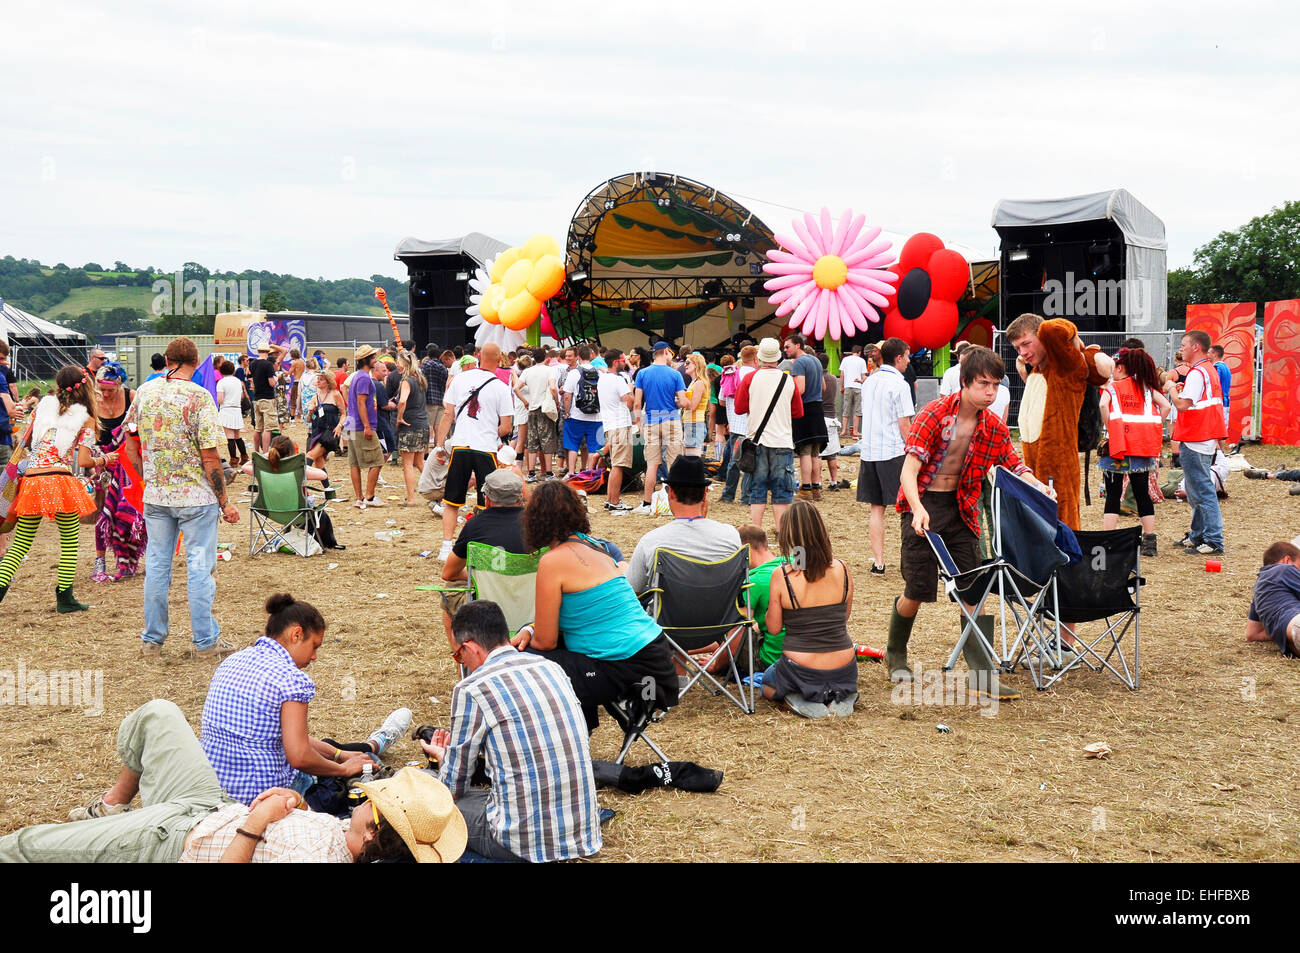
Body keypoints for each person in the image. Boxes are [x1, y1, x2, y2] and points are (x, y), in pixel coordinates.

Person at [0, 699, 462, 863]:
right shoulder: (345, 833)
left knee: (27, 847)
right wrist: (297, 807)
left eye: (374, 800)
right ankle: (114, 804)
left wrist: (257, 822)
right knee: (160, 714)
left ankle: (111, 826)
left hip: (171, 839)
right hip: (207, 804)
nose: (366, 796)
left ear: (374, 829)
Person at [889, 346, 1057, 700]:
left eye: (996, 385)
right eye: (984, 384)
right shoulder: (933, 415)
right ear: (964, 383)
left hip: (963, 508)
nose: (991, 392)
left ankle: (982, 675)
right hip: (923, 504)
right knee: (917, 591)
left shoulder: (993, 426)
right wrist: (918, 509)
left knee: (974, 592)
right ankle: (896, 652)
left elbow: (1014, 466)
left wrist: (1039, 485)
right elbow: (909, 470)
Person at [418, 601, 602, 862]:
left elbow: (452, 786)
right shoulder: (552, 669)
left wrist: (443, 759)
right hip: (583, 834)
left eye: (459, 656)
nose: (463, 664)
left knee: (429, 800)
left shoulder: (472, 688)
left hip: (519, 843)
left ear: (469, 647)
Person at [201, 593, 410, 803]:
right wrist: (342, 769)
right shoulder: (290, 678)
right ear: (297, 634)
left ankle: (371, 745)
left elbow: (276, 734)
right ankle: (373, 747)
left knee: (330, 748)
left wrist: (338, 755)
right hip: (264, 796)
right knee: (364, 771)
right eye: (314, 646)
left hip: (217, 790)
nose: (314, 657)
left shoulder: (232, 661)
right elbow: (300, 756)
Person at [515, 481, 678, 731]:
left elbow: (545, 642)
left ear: (534, 521)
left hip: (629, 668)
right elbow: (586, 617)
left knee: (522, 663)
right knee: (566, 660)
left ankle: (576, 732)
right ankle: (582, 729)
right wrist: (531, 629)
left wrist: (526, 636)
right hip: (657, 660)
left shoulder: (552, 561)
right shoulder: (598, 548)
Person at [123, 337, 241, 658]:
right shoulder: (200, 397)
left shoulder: (144, 392)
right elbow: (211, 457)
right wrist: (224, 501)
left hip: (157, 495)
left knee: (157, 566)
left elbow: (130, 440)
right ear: (195, 360)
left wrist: (146, 475)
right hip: (196, 498)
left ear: (167, 359)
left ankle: (152, 640)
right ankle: (205, 641)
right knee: (199, 568)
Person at [0, 366, 103, 611]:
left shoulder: (41, 409)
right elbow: (86, 461)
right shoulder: (85, 418)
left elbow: (26, 443)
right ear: (85, 386)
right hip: (59, 481)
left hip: (33, 480)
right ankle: (65, 599)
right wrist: (105, 460)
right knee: (69, 542)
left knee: (20, 545)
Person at [1007, 312, 1112, 530]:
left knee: (1062, 522)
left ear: (1042, 338)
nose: (1023, 353)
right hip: (1032, 464)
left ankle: (1068, 563)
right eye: (1018, 348)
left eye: (1026, 344)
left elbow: (1053, 329)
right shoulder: (1038, 369)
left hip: (1058, 466)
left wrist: (1074, 342)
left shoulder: (1066, 367)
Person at [761, 500, 859, 718]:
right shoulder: (843, 569)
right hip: (844, 665)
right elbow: (845, 617)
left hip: (800, 668)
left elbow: (774, 629)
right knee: (833, 682)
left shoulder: (783, 576)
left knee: (766, 683)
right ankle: (840, 694)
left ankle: (795, 697)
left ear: (787, 536)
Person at [436, 341, 514, 561]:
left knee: (452, 501)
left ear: (478, 356)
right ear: (500, 360)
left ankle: (446, 547)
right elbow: (507, 427)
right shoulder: (500, 386)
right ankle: (482, 544)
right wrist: (490, 431)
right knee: (486, 502)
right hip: (486, 448)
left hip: (460, 445)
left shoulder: (460, 379)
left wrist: (440, 446)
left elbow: (447, 414)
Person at [626, 456, 743, 593]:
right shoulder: (730, 536)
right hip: (724, 613)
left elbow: (631, 590)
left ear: (671, 493)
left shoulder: (652, 541)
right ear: (705, 493)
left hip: (668, 614)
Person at [438, 468, 530, 633]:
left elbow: (448, 573)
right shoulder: (539, 523)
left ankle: (463, 657)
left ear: (486, 500)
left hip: (488, 614)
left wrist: (488, 572)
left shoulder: (475, 526)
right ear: (520, 498)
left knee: (449, 597)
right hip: (532, 611)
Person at [1099, 346, 1171, 557]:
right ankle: (1149, 542)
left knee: (1112, 495)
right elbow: (1165, 406)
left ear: (1122, 368)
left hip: (1117, 448)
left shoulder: (1113, 388)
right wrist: (1154, 426)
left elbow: (1103, 406)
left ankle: (1108, 541)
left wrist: (1109, 428)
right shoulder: (1146, 388)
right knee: (1142, 495)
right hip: (1142, 447)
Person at [1166, 330, 1227, 557]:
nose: (1181, 349)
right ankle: (1198, 535)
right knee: (1196, 490)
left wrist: (1172, 388)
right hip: (1204, 436)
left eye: (1184, 345)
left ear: (1196, 348)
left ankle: (1213, 539)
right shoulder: (1207, 370)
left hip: (1196, 437)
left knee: (1201, 491)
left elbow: (1182, 406)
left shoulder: (1196, 373)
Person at [858, 337, 915, 575]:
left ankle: (879, 562)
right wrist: (915, 447)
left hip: (870, 451)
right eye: (908, 355)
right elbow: (905, 424)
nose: (909, 360)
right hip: (893, 451)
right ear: (899, 357)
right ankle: (910, 561)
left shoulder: (870, 381)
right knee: (911, 506)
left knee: (876, 508)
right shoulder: (900, 384)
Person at [733, 337, 804, 529]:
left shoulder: (750, 378)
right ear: (778, 357)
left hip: (757, 442)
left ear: (760, 357)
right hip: (782, 441)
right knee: (782, 492)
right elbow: (798, 412)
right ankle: (781, 531)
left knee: (757, 490)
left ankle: (756, 530)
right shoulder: (788, 380)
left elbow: (738, 408)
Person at [90, 362, 146, 583]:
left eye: (110, 390)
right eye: (101, 389)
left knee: (128, 514)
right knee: (103, 516)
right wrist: (99, 460)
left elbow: (141, 426)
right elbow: (89, 433)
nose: (105, 394)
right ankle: (100, 563)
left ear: (119, 385)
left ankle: (128, 562)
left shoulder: (131, 396)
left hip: (129, 463)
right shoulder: (93, 402)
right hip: (103, 464)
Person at [632, 341, 687, 514]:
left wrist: (639, 422)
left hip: (650, 419)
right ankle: (676, 503)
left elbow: (637, 402)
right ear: (666, 352)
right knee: (675, 463)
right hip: (670, 418)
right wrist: (683, 403)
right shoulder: (675, 374)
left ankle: (647, 503)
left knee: (652, 464)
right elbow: (684, 401)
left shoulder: (642, 373)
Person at [784, 334, 829, 499]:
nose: (785, 350)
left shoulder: (800, 363)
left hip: (805, 409)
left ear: (797, 345)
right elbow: (823, 387)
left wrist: (789, 385)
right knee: (815, 453)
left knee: (805, 451)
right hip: (818, 408)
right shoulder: (816, 360)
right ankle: (817, 488)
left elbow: (800, 389)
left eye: (787, 346)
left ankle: (806, 488)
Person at [738, 523, 787, 669]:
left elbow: (735, 634)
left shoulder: (753, 582)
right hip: (802, 655)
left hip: (770, 660)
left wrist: (715, 664)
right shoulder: (792, 566)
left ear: (744, 549)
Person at [343, 344, 385, 511]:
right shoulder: (364, 378)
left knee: (354, 462)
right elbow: (361, 402)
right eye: (373, 357)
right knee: (377, 460)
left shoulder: (357, 376)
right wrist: (367, 426)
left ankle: (360, 498)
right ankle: (369, 496)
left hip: (352, 423)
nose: (376, 359)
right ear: (367, 360)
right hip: (361, 425)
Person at [1245, 542, 1300, 658]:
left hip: (1292, 643)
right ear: (1287, 560)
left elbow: (1252, 634)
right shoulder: (1285, 569)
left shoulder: (1259, 589)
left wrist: (1280, 633)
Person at [597, 348, 635, 511]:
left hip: (609, 424)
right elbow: (630, 401)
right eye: (622, 360)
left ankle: (611, 500)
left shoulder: (602, 379)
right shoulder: (618, 380)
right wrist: (631, 388)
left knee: (615, 464)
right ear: (615, 362)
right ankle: (614, 501)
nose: (625, 362)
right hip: (619, 425)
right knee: (618, 465)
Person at [719, 344, 758, 504]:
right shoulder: (757, 376)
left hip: (735, 424)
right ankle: (746, 497)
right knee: (750, 461)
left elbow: (721, 401)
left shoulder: (731, 374)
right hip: (752, 426)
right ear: (756, 359)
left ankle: (728, 495)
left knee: (734, 462)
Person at [517, 345, 560, 482]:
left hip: (532, 408)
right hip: (545, 408)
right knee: (547, 440)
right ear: (546, 358)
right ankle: (548, 473)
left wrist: (525, 401)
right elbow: (553, 387)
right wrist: (557, 401)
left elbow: (516, 388)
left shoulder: (527, 372)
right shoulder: (549, 370)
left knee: (532, 441)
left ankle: (531, 473)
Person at [561, 344, 604, 474]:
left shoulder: (574, 373)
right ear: (591, 356)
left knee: (573, 445)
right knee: (593, 448)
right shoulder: (600, 373)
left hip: (576, 415)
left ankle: (572, 473)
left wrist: (567, 412)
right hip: (596, 416)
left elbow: (567, 396)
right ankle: (590, 473)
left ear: (578, 357)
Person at [395, 349, 429, 506]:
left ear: (404, 363)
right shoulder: (421, 379)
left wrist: (399, 417)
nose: (397, 364)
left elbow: (402, 401)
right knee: (420, 462)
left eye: (398, 361)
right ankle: (436, 490)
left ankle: (411, 498)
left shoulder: (406, 381)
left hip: (410, 425)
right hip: (423, 423)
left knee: (407, 464)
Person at [249, 342, 286, 453]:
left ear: (258, 351)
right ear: (268, 352)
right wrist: (277, 378)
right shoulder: (268, 364)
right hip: (267, 398)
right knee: (268, 428)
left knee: (257, 428)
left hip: (257, 398)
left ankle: (256, 452)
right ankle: (265, 452)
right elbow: (271, 383)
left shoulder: (253, 364)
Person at [304, 371, 345, 472]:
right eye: (317, 379)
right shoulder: (315, 397)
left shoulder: (335, 394)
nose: (318, 381)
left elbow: (344, 413)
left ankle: (300, 481)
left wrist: (339, 426)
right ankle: (328, 487)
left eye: (321, 379)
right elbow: (309, 420)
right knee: (319, 462)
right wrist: (310, 412)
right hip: (316, 431)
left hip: (330, 432)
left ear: (328, 382)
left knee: (310, 455)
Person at [214, 359, 248, 468]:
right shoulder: (237, 381)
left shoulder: (221, 382)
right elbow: (242, 396)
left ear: (221, 370)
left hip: (226, 410)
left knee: (229, 437)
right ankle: (244, 456)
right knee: (237, 435)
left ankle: (233, 460)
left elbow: (220, 399)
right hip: (237, 409)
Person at [816, 352, 842, 489]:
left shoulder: (817, 379)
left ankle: (818, 482)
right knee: (832, 454)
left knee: (819, 453)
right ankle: (834, 481)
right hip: (832, 417)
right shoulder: (832, 378)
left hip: (820, 417)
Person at [680, 352, 710, 457]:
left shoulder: (699, 383)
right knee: (689, 458)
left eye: (688, 362)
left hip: (695, 424)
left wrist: (681, 397)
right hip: (691, 423)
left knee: (692, 459)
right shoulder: (695, 382)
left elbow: (692, 406)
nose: (685, 365)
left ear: (696, 365)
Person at [839, 344, 869, 439]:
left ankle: (844, 430)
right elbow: (863, 375)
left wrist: (842, 387)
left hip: (847, 386)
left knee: (846, 408)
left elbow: (842, 375)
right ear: (859, 352)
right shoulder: (862, 361)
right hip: (858, 387)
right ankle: (855, 431)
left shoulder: (845, 360)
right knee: (857, 409)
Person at [1209, 344, 1233, 429]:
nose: (1207, 355)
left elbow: (1214, 383)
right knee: (1223, 426)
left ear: (1215, 354)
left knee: (1216, 427)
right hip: (1225, 399)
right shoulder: (1225, 367)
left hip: (1218, 399)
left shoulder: (1216, 367)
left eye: (1209, 353)